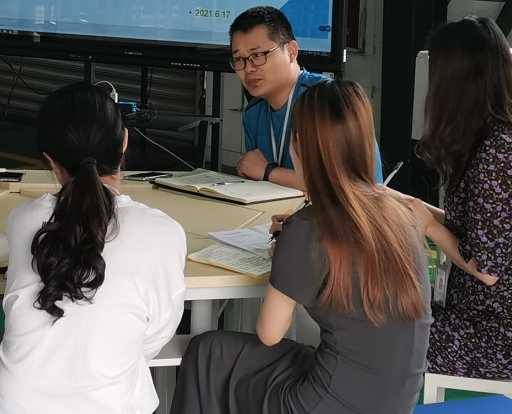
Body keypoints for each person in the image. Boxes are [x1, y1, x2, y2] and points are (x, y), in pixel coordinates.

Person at [172, 80, 431, 414]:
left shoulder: (308, 228)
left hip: (325, 404)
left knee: (209, 350)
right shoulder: (401, 215)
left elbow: (269, 334)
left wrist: (290, 248)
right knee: (299, 354)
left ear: (300, 147)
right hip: (397, 402)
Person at [0, 83, 187, 414]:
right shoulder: (165, 232)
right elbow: (156, 334)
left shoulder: (23, 219)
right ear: (124, 141)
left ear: (50, 160)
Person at [414, 16, 512, 381]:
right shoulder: (495, 138)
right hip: (473, 316)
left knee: (378, 339)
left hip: (496, 336)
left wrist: (428, 225)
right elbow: (478, 229)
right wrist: (405, 206)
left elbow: (488, 270)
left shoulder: (498, 154)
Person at [230, 6, 382, 190]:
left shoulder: (328, 100)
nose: (248, 68)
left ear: (291, 52)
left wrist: (268, 172)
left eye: (257, 55)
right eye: (239, 59)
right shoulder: (253, 114)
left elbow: (352, 187)